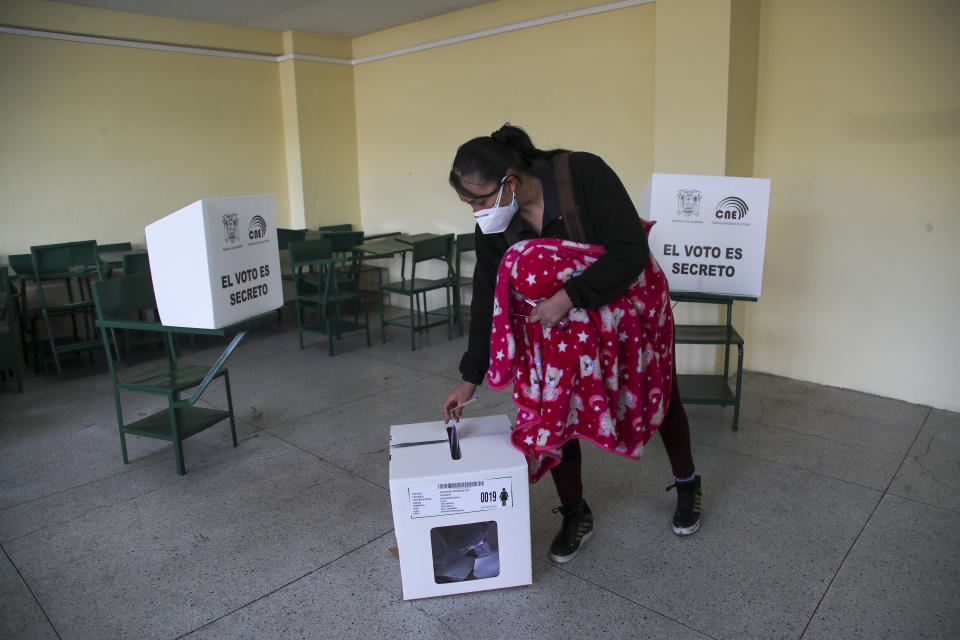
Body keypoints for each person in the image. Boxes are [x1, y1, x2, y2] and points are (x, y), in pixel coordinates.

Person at [442, 124, 701, 564]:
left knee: (657, 392)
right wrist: (471, 376)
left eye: (480, 199)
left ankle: (687, 482)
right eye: (467, 203)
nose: (476, 211)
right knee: (554, 407)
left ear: (510, 182)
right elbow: (488, 295)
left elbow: (630, 250)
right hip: (562, 324)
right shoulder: (495, 227)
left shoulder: (581, 174)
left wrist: (568, 298)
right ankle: (576, 513)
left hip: (628, 302)